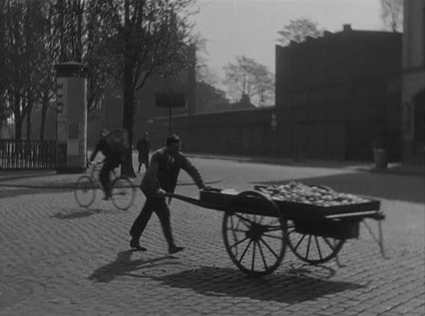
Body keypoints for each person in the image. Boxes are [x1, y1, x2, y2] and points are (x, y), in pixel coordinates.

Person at [129, 134, 210, 254]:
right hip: (151, 188)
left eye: (178, 147)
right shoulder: (158, 155)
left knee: (147, 212)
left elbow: (191, 169)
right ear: (168, 147)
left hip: (162, 190)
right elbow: (152, 174)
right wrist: (158, 189)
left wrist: (201, 185)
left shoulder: (179, 157)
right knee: (164, 213)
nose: (177, 150)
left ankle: (134, 236)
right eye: (174, 147)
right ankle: (171, 245)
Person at [89, 129, 124, 200]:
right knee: (106, 174)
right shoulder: (110, 141)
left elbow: (95, 152)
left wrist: (90, 160)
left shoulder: (102, 142)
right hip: (117, 159)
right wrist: (102, 161)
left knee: (101, 176)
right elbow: (110, 153)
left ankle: (107, 193)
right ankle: (108, 191)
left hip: (112, 160)